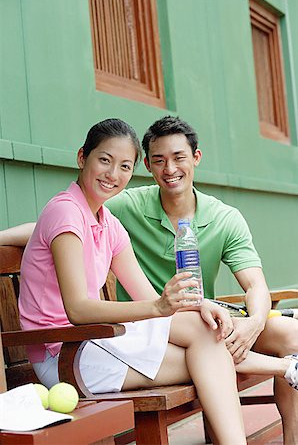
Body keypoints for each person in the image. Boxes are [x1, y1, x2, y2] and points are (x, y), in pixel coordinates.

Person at [1, 117, 298, 443]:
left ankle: (284, 372)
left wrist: (197, 307)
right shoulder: (66, 213)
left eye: (124, 166)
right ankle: (285, 369)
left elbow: (151, 299)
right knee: (206, 355)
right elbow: (78, 310)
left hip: (96, 343)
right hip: (65, 355)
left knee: (205, 330)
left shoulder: (107, 222)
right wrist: (159, 306)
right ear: (81, 157)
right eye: (105, 160)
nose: (114, 174)